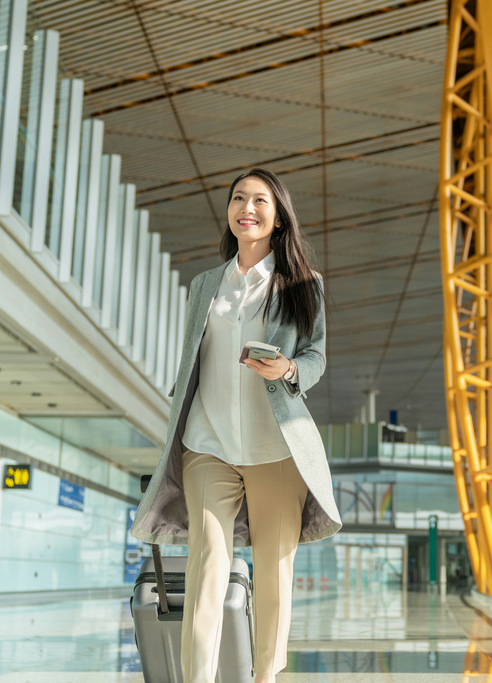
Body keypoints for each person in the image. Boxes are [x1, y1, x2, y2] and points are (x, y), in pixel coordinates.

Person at [130, 168, 342, 683]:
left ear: (278, 216)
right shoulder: (206, 284)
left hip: (277, 448)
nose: (247, 207)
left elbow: (315, 357)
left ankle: (264, 677)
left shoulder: (302, 284)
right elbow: (193, 358)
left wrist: (289, 370)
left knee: (273, 574)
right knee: (206, 569)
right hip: (209, 443)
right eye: (239, 199)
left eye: (260, 200)